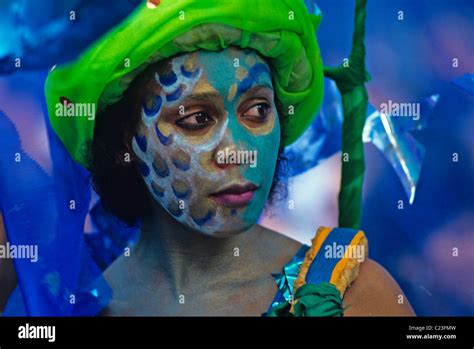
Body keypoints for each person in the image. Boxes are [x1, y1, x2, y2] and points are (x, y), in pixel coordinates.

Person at [42, 0, 414, 316]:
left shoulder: (356, 298)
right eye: (197, 119)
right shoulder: (78, 309)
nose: (238, 150)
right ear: (125, 139)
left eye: (257, 111)